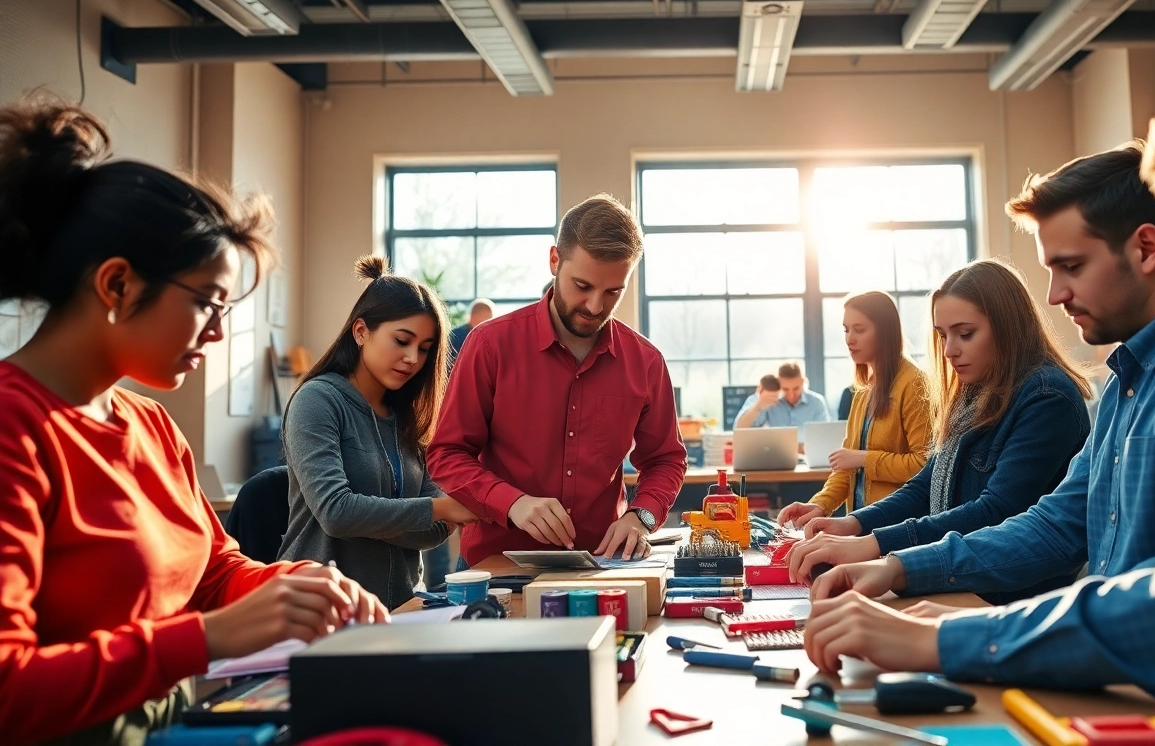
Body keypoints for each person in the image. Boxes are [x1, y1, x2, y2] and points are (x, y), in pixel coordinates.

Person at [803, 41, 1155, 745]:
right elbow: (1059, 524)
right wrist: (904, 570)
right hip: (1130, 702)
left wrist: (958, 638)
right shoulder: (1130, 379)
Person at [0, 99, 387, 744]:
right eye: (207, 302)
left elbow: (211, 574)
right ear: (117, 285)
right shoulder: (16, 428)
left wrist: (295, 583)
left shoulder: (150, 425)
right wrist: (206, 639)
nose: (217, 331)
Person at [787, 260, 1092, 605]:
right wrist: (853, 524)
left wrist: (874, 544)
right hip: (953, 580)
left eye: (965, 334)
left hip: (1006, 600)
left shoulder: (1047, 397)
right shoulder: (975, 390)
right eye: (943, 335)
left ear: (1008, 327)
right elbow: (925, 485)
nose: (949, 351)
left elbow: (995, 511)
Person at [428, 194, 687, 565]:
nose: (596, 306)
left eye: (613, 291)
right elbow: (447, 453)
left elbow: (666, 459)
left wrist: (641, 515)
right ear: (554, 261)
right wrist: (511, 502)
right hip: (498, 565)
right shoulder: (489, 345)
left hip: (603, 565)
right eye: (582, 285)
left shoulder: (645, 362)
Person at [278, 256, 478, 609]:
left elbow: (431, 532)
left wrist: (383, 516)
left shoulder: (409, 416)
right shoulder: (317, 401)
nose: (413, 358)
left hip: (403, 609)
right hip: (322, 611)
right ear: (360, 331)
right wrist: (439, 507)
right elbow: (336, 512)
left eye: (424, 349)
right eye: (402, 341)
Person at [777, 292, 931, 526]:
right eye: (846, 329)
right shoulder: (863, 390)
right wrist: (820, 504)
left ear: (885, 331)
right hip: (863, 525)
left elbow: (924, 466)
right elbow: (845, 465)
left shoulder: (914, 384)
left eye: (859, 329)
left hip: (899, 528)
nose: (849, 339)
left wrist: (863, 459)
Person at [734, 361, 830, 429]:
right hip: (774, 456)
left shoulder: (817, 402)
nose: (791, 395)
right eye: (785, 389)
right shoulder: (767, 399)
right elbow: (738, 429)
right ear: (779, 385)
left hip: (808, 456)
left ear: (803, 382)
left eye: (796, 388)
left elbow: (824, 436)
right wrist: (758, 406)